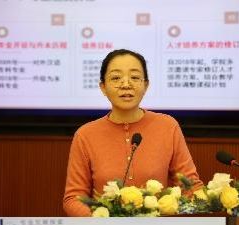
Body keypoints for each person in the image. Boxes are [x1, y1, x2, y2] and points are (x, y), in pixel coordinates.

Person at [63, 49, 203, 216]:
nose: (126, 84)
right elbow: (73, 198)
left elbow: (191, 186)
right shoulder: (86, 135)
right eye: (116, 78)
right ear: (103, 87)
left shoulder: (167, 126)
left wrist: (214, 198)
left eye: (135, 77)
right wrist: (100, 219)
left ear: (146, 85)